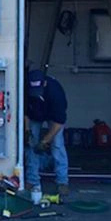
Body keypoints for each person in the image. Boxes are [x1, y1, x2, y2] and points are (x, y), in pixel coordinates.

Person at [25, 68, 69, 200]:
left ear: (44, 84)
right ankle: (32, 180)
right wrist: (27, 132)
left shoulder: (56, 93)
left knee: (57, 145)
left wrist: (45, 141)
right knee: (30, 145)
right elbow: (25, 112)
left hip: (53, 116)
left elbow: (58, 122)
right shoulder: (25, 88)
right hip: (34, 115)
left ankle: (62, 181)